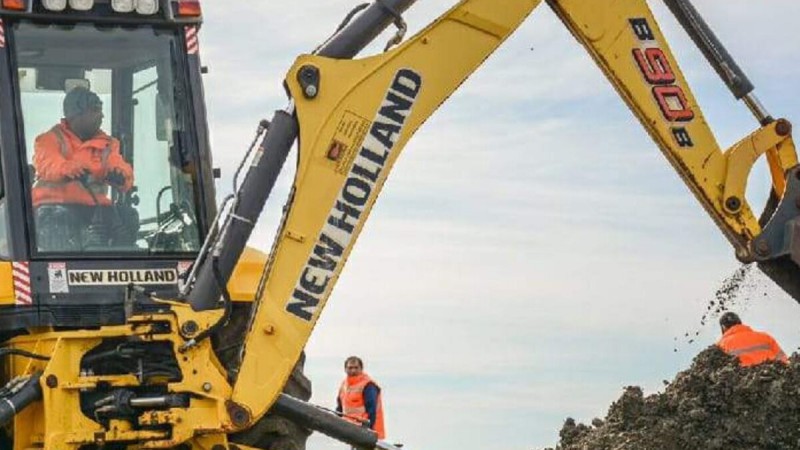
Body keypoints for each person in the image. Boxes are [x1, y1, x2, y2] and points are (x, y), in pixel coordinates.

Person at [31, 86, 133, 251]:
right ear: (76, 114)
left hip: (95, 209)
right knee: (60, 218)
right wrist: (66, 168)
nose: (102, 116)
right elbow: (48, 162)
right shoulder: (49, 139)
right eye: (95, 110)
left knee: (128, 216)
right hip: (54, 207)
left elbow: (118, 163)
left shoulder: (108, 144)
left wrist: (122, 175)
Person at [336, 356, 386, 439]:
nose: (353, 370)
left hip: (365, 430)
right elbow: (339, 408)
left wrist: (368, 431)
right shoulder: (344, 385)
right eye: (350, 368)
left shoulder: (368, 385)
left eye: (356, 368)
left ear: (361, 368)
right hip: (349, 429)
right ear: (345, 369)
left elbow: (372, 410)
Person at [716, 311, 788, 367]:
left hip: (742, 382)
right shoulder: (765, 337)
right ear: (740, 323)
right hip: (774, 377)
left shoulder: (720, 346)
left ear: (723, 327)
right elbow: (783, 359)